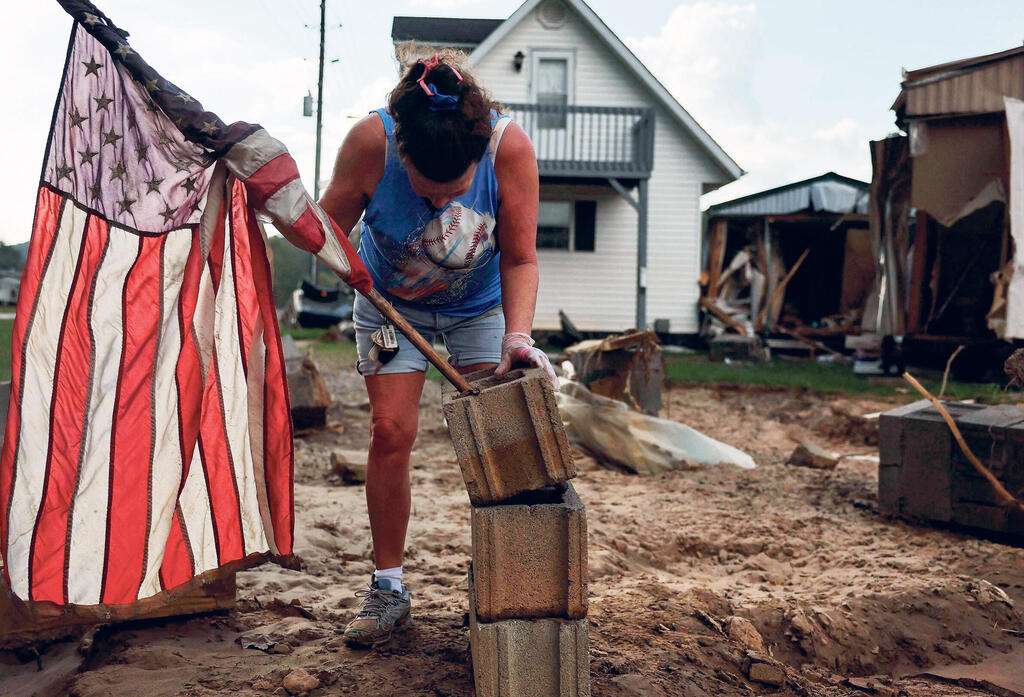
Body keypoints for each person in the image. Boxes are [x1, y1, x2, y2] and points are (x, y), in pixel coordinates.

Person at [317, 52, 557, 647]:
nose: (439, 204)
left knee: (504, 436)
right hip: (389, 305)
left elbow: (521, 256)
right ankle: (388, 588)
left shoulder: (509, 149)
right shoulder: (370, 142)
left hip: (480, 308)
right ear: (401, 153)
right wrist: (336, 259)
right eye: (427, 193)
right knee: (391, 432)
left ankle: (508, 583)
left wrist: (518, 336)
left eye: (454, 192)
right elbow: (323, 231)